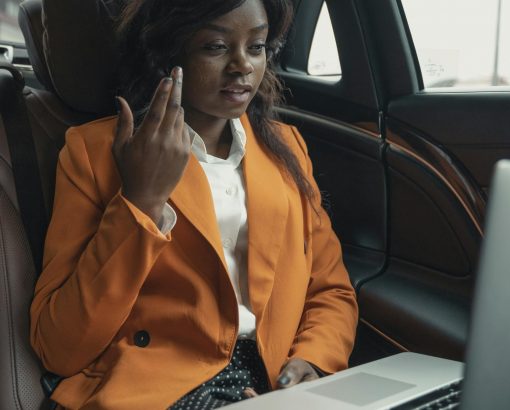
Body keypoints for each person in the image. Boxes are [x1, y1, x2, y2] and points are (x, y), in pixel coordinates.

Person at [29, 0, 359, 409]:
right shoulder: (93, 153)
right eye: (216, 47)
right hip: (158, 390)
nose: (242, 66)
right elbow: (59, 345)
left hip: (272, 385)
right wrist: (142, 200)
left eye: (256, 47)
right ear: (170, 52)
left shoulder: (286, 148)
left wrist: (312, 360)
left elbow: (329, 289)